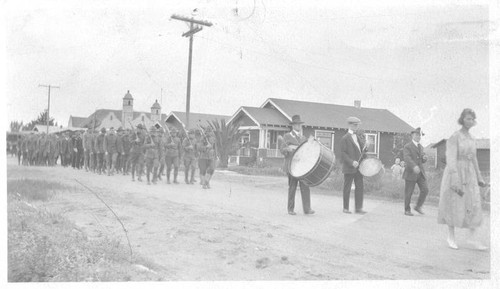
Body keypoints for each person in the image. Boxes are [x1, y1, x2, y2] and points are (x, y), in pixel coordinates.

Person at [437, 109, 488, 250]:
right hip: (456, 173)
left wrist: (479, 177)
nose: (470, 121)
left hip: (469, 173)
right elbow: (451, 158)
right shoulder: (455, 137)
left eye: (472, 119)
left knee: (474, 204)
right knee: (454, 203)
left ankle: (472, 238)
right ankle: (451, 236)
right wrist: (454, 178)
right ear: (462, 120)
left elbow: (474, 159)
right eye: (467, 118)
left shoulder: (472, 138)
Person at [280, 115, 315, 215]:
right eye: (297, 124)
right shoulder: (287, 136)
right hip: (291, 166)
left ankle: (307, 209)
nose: (299, 126)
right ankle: (290, 209)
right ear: (293, 125)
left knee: (305, 186)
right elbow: (282, 149)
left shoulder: (303, 138)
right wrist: (287, 149)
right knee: (292, 187)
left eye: (300, 124)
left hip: (301, 167)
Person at [340, 116, 367, 214]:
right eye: (355, 125)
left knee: (360, 187)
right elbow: (343, 154)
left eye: (357, 125)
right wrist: (352, 162)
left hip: (359, 168)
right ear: (350, 125)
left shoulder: (358, 137)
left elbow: (360, 151)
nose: (356, 127)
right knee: (347, 188)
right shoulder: (345, 138)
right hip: (349, 167)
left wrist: (365, 148)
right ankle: (345, 208)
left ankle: (358, 208)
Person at [403, 127, 429, 216]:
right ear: (412, 136)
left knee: (425, 189)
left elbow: (422, 158)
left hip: (420, 173)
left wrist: (424, 159)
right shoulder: (407, 146)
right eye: (416, 135)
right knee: (409, 192)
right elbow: (407, 158)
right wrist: (414, 166)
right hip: (411, 172)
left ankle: (418, 206)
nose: (418, 137)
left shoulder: (420, 147)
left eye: (419, 135)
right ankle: (407, 210)